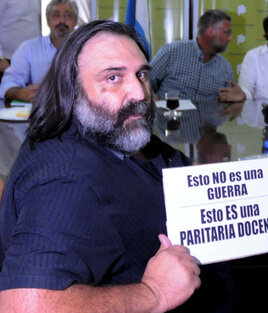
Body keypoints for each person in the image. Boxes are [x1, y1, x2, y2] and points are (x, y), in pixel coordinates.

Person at [0, 20, 201, 312]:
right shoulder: (65, 179)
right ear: (72, 90)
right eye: (112, 78)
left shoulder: (115, 131)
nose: (140, 92)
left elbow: (186, 180)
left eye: (141, 74)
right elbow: (22, 306)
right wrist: (153, 293)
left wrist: (257, 205)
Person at [150, 10, 245, 102]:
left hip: (208, 118)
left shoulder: (225, 67)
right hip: (169, 116)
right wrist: (153, 101)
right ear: (211, 32)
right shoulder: (171, 52)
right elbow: (145, 82)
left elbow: (229, 101)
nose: (230, 38)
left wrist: (240, 97)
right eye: (227, 33)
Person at [0, 0, 78, 105]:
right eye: (56, 16)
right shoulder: (28, 48)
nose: (62, 21)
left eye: (68, 16)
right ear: (47, 20)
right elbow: (7, 85)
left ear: (76, 21)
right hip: (39, 115)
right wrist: (20, 93)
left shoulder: (86, 49)